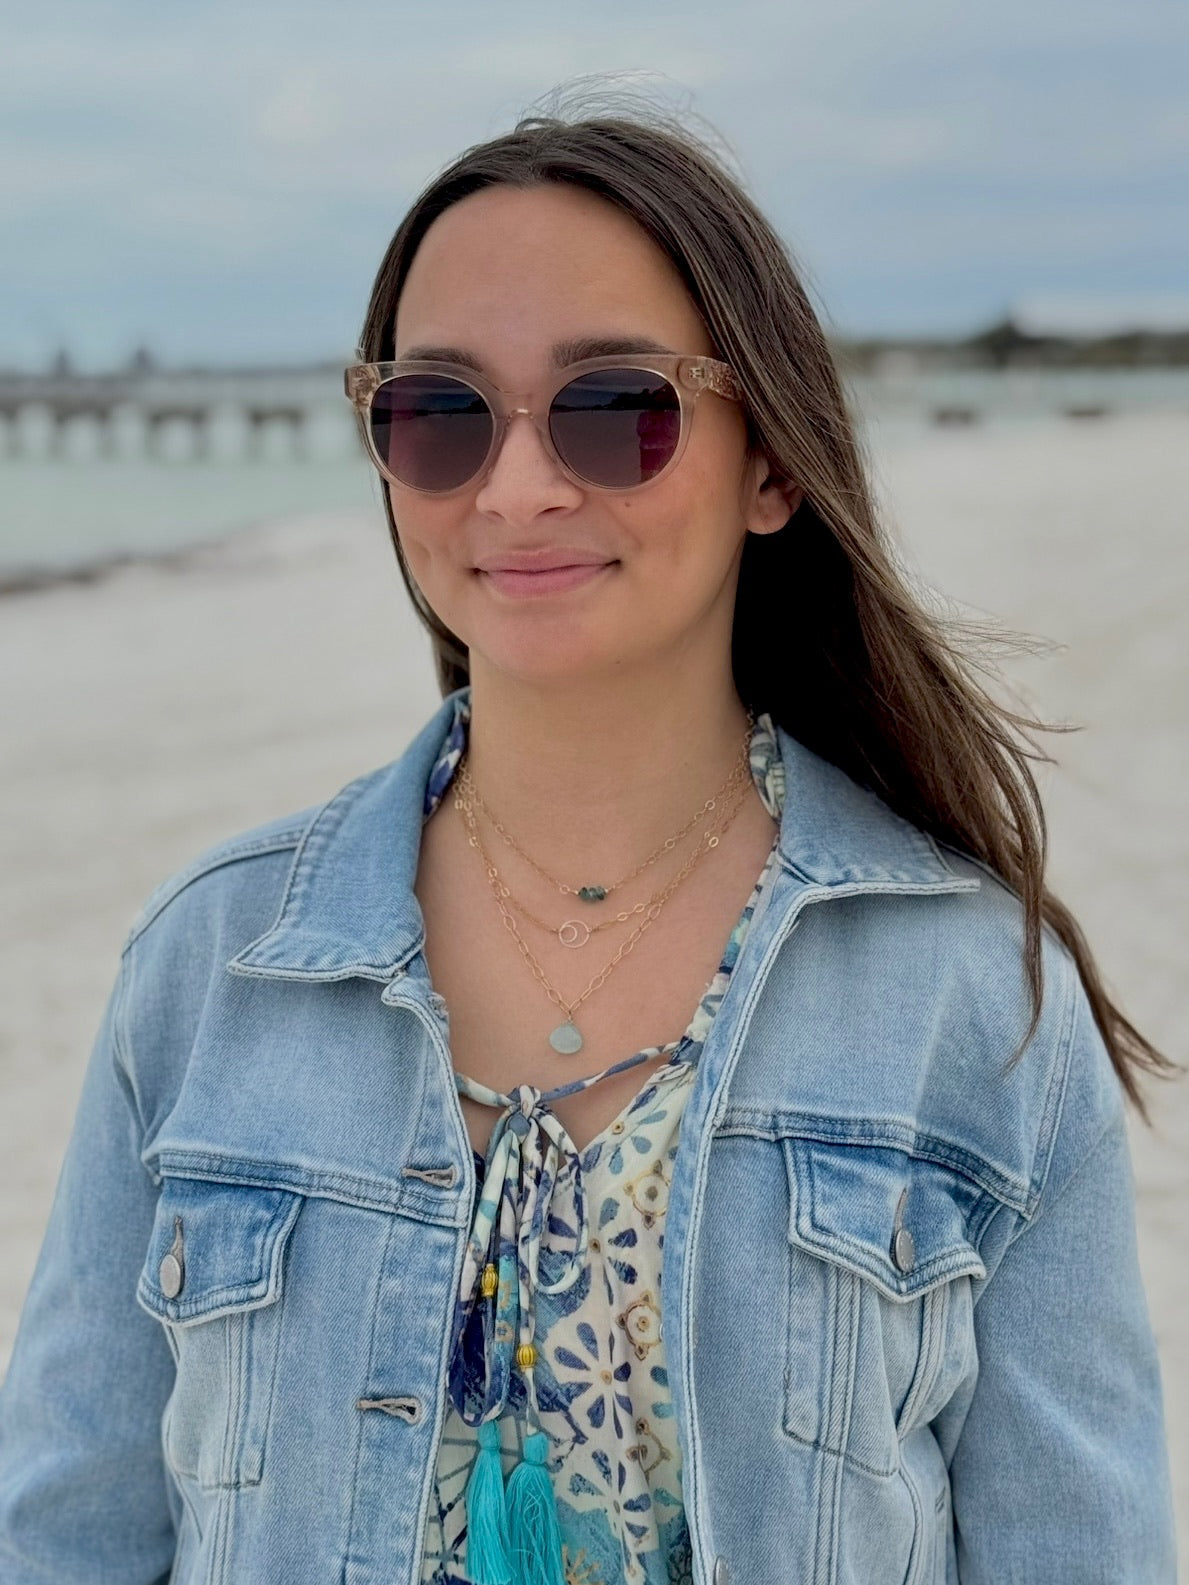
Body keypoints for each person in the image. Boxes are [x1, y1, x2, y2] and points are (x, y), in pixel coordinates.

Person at [0, 97, 1178, 1585]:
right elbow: (64, 1539)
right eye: (437, 413)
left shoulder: (974, 1001)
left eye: (615, 405)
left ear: (773, 462)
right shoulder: (209, 969)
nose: (515, 486)